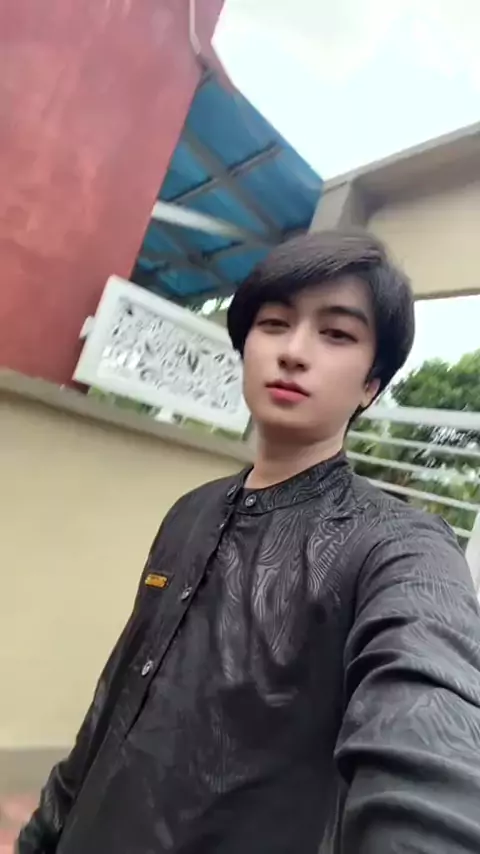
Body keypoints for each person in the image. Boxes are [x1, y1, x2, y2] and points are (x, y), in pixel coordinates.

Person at [18, 230, 480, 854]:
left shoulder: (400, 547)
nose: (294, 352)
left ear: (371, 384)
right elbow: (113, 700)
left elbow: (432, 742)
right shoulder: (190, 512)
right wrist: (42, 833)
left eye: (336, 334)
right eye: (274, 324)